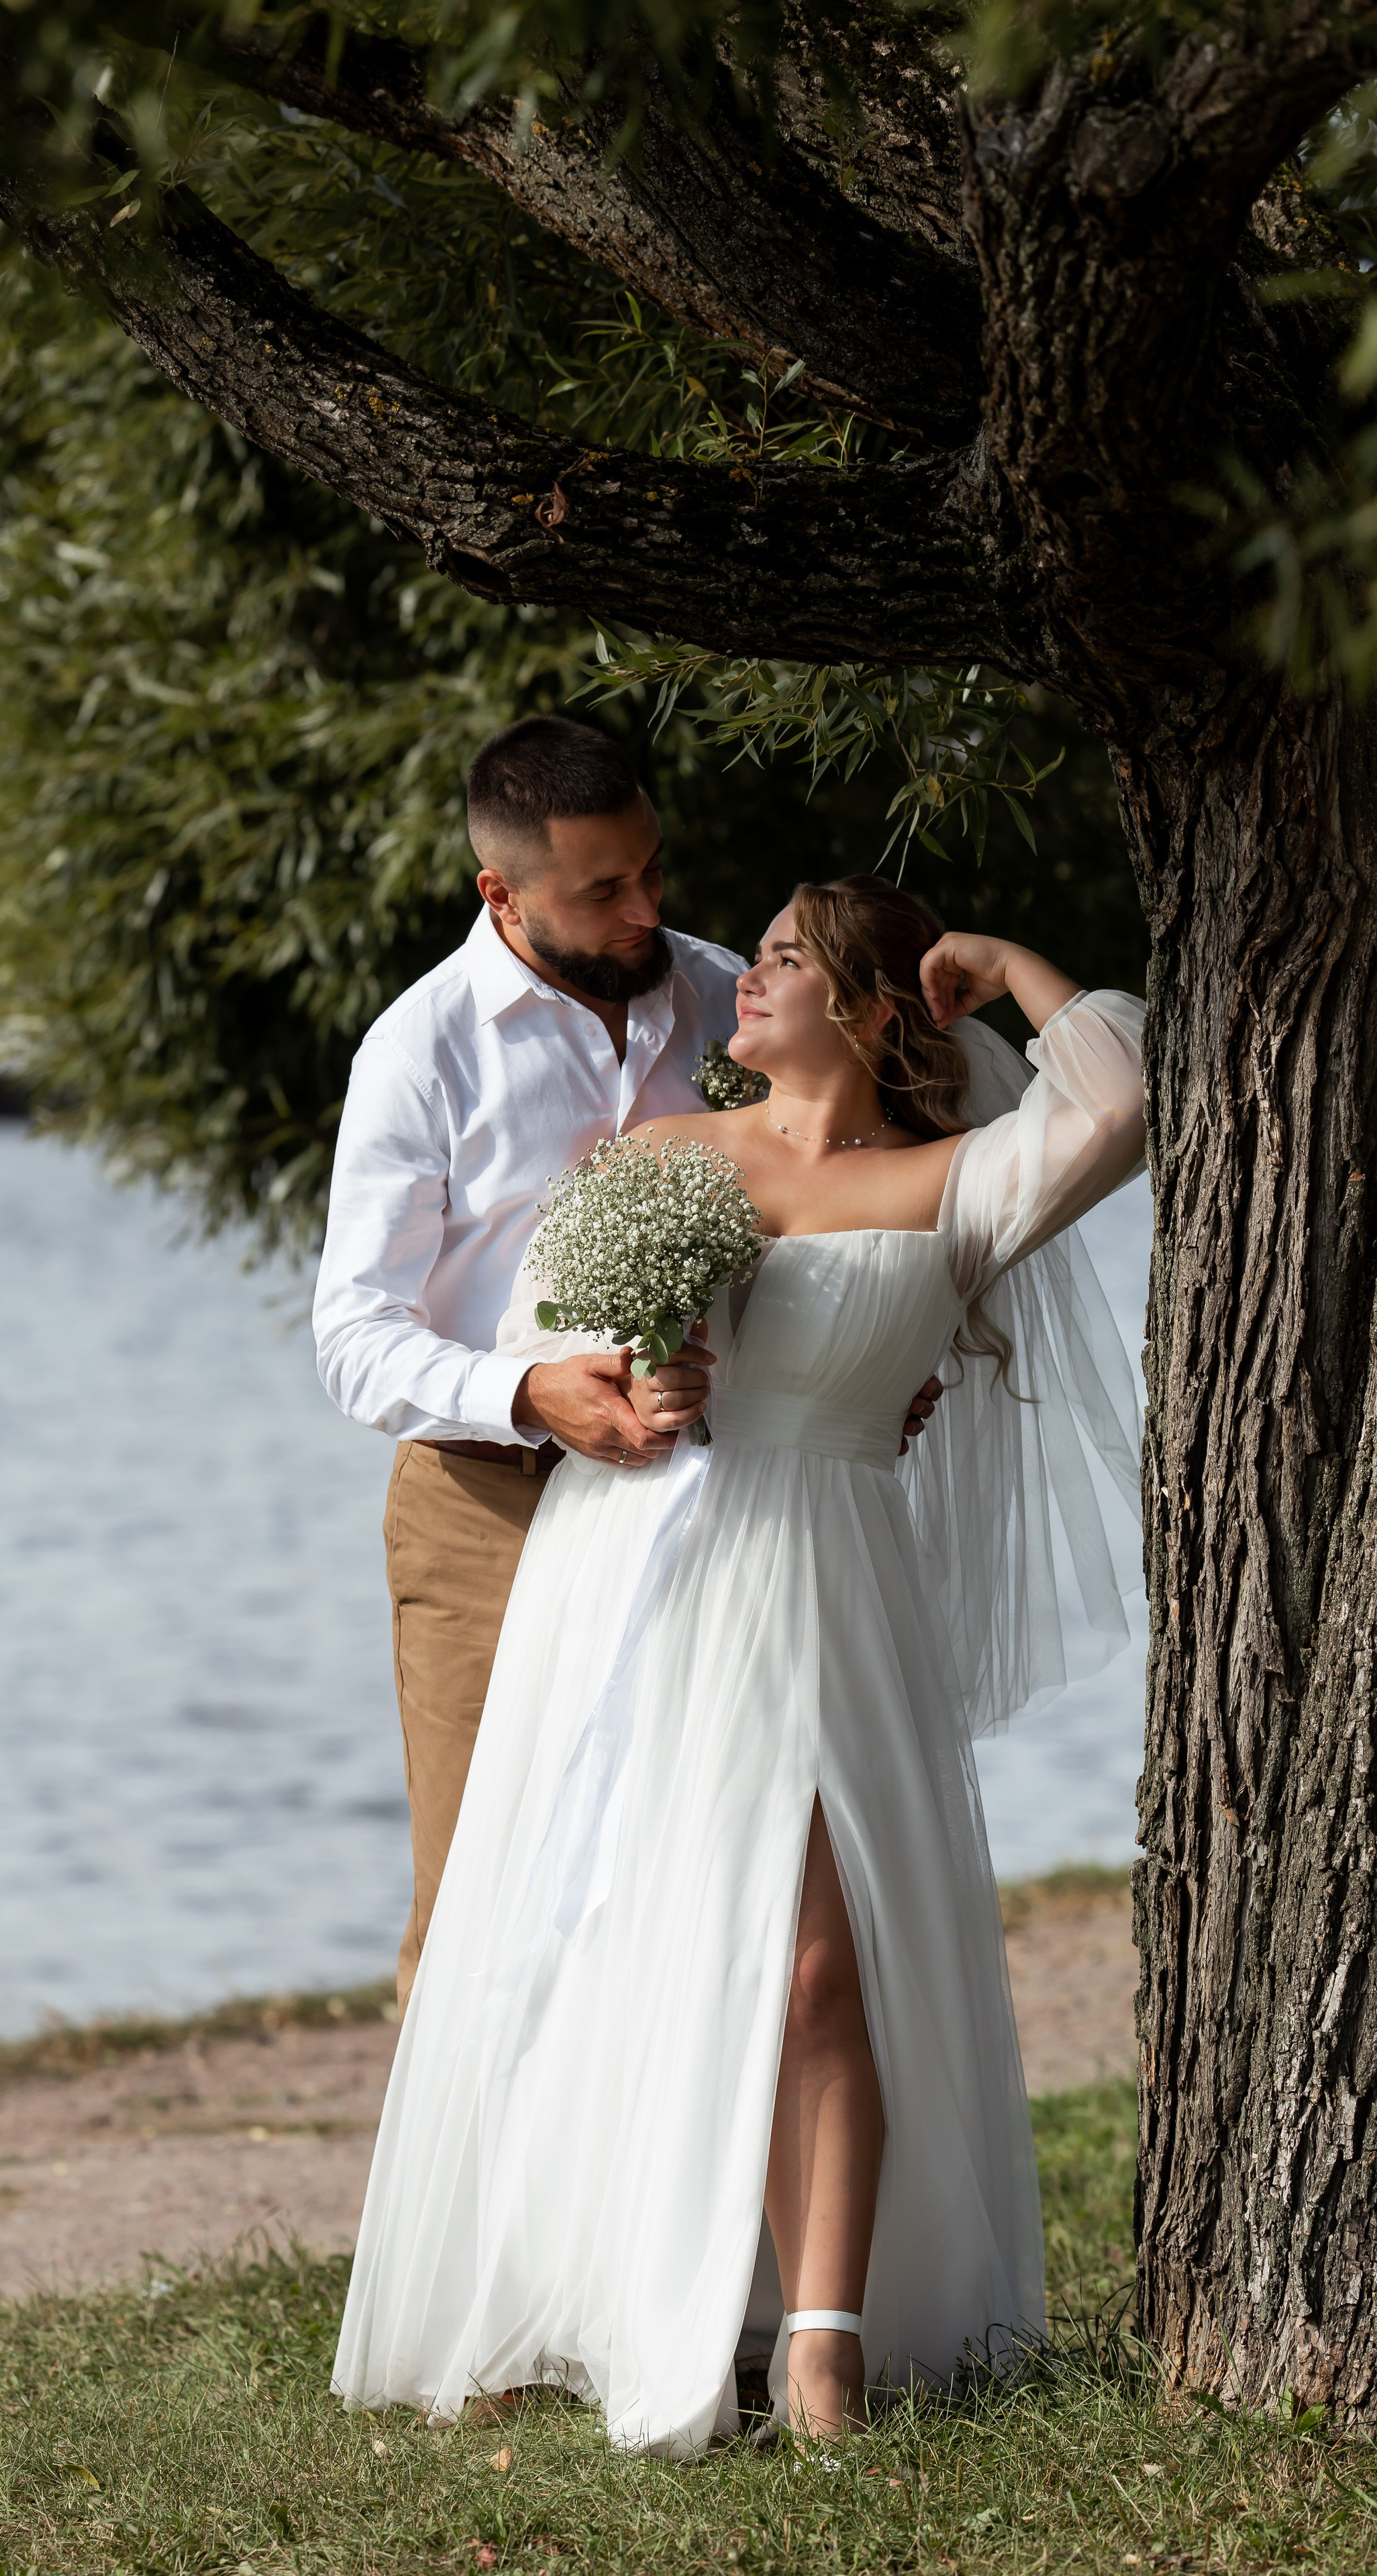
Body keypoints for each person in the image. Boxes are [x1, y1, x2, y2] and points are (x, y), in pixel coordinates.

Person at [332, 875, 1146, 2454]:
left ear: (866, 1005)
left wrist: (1004, 963)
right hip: (643, 1573)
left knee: (817, 1968)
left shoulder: (955, 1182)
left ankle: (825, 2346)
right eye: (753, 956)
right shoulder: (651, 1162)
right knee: (633, 1941)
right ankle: (635, 2292)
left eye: (779, 959)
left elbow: (1115, 1099)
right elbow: (561, 1365)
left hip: (829, 1588)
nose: (741, 981)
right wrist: (637, 1383)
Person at [314, 722, 941, 2010]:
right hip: (489, 1510)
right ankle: (476, 2210)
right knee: (487, 1898)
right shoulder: (420, 1050)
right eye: (603, 890)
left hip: (720, 1507)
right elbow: (355, 1338)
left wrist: (863, 1345)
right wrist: (529, 1393)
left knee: (709, 1887)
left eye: (651, 870)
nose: (645, 908)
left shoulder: (729, 993)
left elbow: (836, 1179)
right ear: (503, 892)